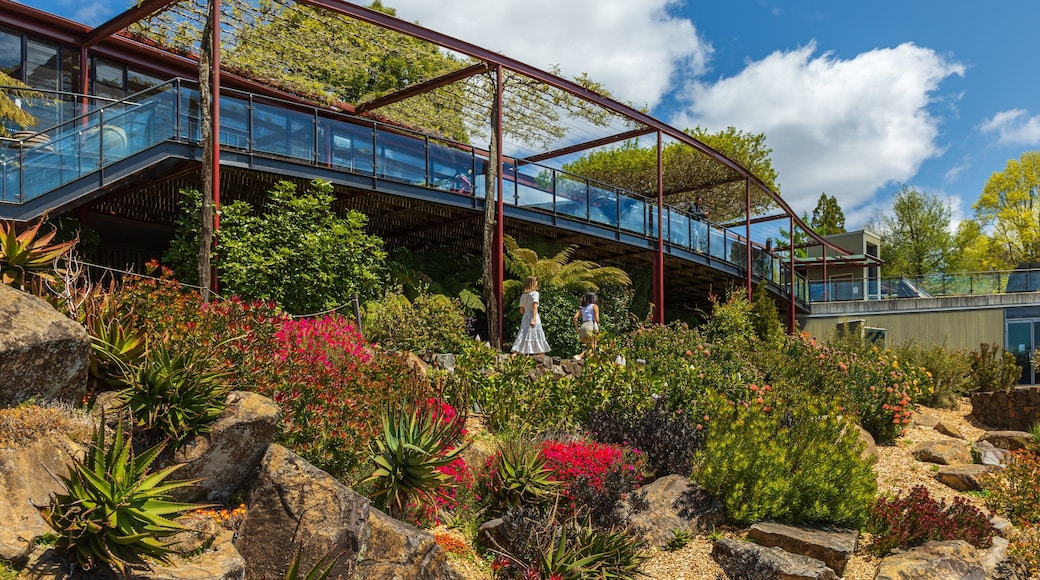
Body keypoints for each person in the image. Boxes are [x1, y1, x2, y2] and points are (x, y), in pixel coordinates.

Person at [511, 276, 550, 355]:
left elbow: (521, 310)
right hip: (533, 315)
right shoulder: (535, 294)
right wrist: (534, 319)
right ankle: (540, 354)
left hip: (525, 316)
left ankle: (517, 352)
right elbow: (535, 307)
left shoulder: (523, 295)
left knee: (523, 333)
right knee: (537, 334)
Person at [573, 291, 600, 358]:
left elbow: (575, 317)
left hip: (583, 326)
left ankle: (589, 364)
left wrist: (577, 329)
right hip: (591, 325)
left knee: (589, 347)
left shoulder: (582, 308)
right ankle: (579, 356)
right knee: (593, 346)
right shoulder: (595, 306)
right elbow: (597, 320)